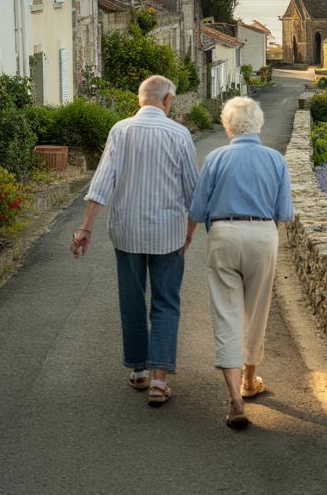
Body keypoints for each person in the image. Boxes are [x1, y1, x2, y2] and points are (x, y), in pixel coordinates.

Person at [71, 75, 198, 407]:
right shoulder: (179, 134)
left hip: (127, 231)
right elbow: (193, 192)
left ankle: (139, 371)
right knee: (165, 302)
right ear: (167, 100)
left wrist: (85, 228)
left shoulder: (120, 130)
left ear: (140, 99)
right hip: (168, 233)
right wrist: (190, 230)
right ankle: (159, 381)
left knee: (131, 299)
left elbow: (101, 183)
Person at [187, 96, 293, 429]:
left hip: (224, 233)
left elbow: (197, 210)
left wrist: (189, 236)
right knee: (257, 310)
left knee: (226, 313)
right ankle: (250, 381)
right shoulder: (276, 160)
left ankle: (234, 398)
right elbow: (284, 212)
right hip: (262, 234)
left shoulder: (216, 158)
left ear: (227, 125)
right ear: (258, 125)